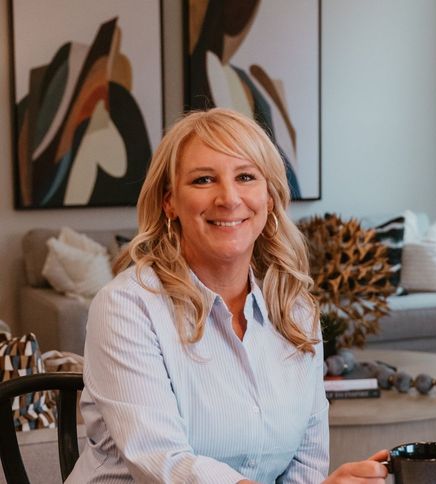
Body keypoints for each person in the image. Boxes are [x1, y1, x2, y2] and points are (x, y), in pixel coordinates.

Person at [66, 108, 389, 483]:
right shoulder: (127, 307)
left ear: (269, 198)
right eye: (204, 179)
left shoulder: (296, 310)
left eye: (246, 177)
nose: (229, 198)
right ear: (170, 202)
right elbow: (161, 461)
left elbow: (305, 466)